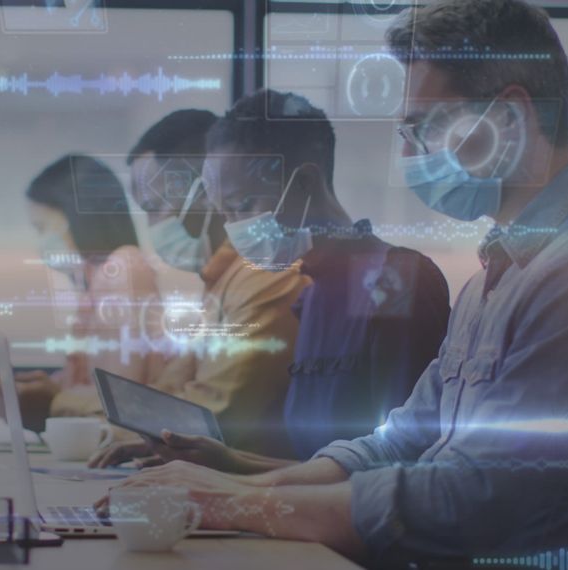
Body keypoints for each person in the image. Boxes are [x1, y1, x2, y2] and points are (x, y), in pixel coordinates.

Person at [102, 0, 568, 565]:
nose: (408, 154)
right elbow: (398, 441)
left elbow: (473, 500)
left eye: (422, 128)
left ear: (509, 117)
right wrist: (232, 483)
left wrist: (233, 502)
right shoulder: (499, 275)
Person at [97, 91, 452, 473]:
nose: (235, 229)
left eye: (244, 206)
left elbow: (393, 469)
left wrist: (237, 473)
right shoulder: (311, 294)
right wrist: (214, 461)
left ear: (305, 183)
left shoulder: (395, 281)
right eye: (225, 214)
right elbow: (313, 464)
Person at [54, 109, 307, 459]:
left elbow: (208, 417)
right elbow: (166, 395)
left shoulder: (266, 275)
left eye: (155, 207)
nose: (152, 227)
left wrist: (60, 404)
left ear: (206, 192)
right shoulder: (219, 281)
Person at [0, 154, 162, 431]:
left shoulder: (124, 268)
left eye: (42, 228)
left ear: (76, 216)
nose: (41, 243)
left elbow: (118, 402)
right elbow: (83, 395)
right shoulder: (96, 284)